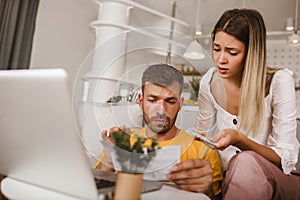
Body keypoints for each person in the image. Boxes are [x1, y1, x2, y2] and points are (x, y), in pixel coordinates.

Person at [196, 8, 300, 200]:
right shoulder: (209, 81)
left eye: (232, 52)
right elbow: (203, 142)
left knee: (245, 161)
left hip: (280, 180)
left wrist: (240, 140)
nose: (220, 59)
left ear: (252, 53)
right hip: (229, 178)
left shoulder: (279, 81)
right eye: (216, 48)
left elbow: (284, 159)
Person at [94, 64, 223, 198]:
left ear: (180, 104)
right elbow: (90, 191)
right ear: (140, 101)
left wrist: (207, 191)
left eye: (170, 101)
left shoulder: (203, 150)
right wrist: (108, 162)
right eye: (153, 100)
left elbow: (215, 198)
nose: (161, 110)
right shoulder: (122, 144)